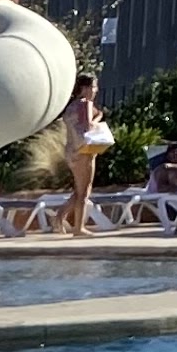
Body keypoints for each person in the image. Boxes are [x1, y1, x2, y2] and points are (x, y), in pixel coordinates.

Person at [62, 69, 113, 232]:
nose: (95, 90)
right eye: (94, 87)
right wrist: (99, 117)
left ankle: (59, 218)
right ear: (85, 88)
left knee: (79, 189)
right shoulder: (85, 104)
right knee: (84, 190)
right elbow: (88, 126)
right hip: (85, 150)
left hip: (71, 150)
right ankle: (79, 227)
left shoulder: (71, 106)